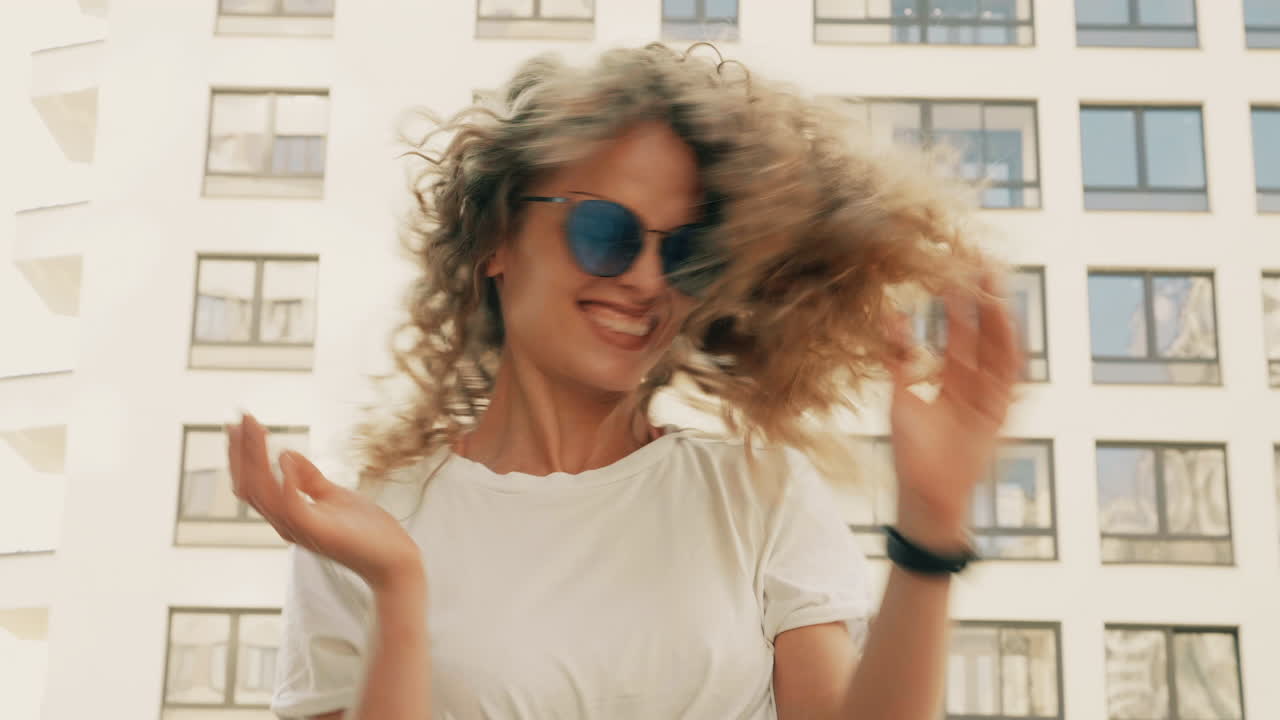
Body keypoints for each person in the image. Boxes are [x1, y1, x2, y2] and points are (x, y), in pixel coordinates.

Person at [226, 44, 1021, 720]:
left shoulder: (757, 492)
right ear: (497, 238)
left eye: (684, 253)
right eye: (604, 232)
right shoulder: (371, 525)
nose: (645, 280)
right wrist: (399, 588)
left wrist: (930, 522)